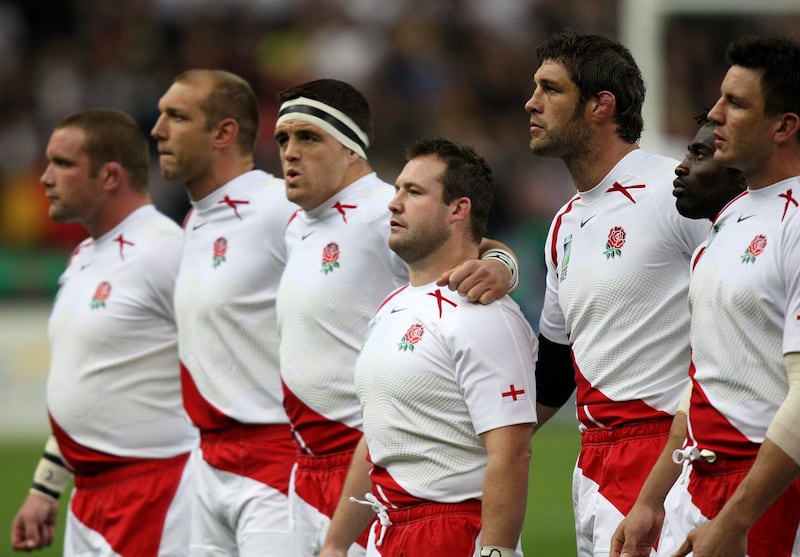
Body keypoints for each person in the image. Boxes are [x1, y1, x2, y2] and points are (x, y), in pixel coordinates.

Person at [273, 79, 519, 556]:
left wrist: (502, 265)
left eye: (308, 138)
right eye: (283, 139)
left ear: (349, 149)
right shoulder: (297, 226)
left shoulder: (379, 209)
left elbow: (468, 242)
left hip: (368, 460)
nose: (290, 152)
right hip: (306, 464)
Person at [611, 35, 800, 557]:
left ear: (784, 126)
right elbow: (703, 382)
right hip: (697, 484)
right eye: (721, 98)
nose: (715, 114)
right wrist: (652, 500)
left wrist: (736, 519)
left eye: (736, 104)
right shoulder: (729, 220)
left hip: (767, 497)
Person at [524, 29, 709, 557]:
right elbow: (556, 366)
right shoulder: (564, 223)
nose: (530, 102)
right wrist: (489, 444)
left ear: (600, 105)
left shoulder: (677, 191)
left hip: (663, 454)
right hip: (592, 462)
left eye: (550, 89)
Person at [318, 137, 537, 557]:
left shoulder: (485, 315)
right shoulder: (393, 304)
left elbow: (511, 450)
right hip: (389, 530)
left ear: (459, 209)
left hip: (450, 531)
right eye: (397, 189)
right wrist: (336, 543)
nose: (393, 203)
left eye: (413, 192)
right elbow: (381, 436)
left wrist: (497, 552)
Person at [10, 109, 197, 556]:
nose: (45, 177)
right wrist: (45, 487)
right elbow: (90, 383)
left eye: (62, 163)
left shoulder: (163, 251)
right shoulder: (81, 259)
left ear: (110, 175)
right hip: (88, 499)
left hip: (156, 493)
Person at [150, 69, 299, 556]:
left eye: (177, 116)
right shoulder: (195, 218)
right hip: (209, 465)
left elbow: (401, 237)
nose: (157, 129)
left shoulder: (280, 205)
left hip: (277, 464)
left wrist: (497, 262)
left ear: (223, 133)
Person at [673, 115, 747, 221]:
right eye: (688, 155)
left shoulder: (770, 232)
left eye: (700, 155)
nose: (680, 168)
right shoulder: (724, 233)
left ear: (743, 174)